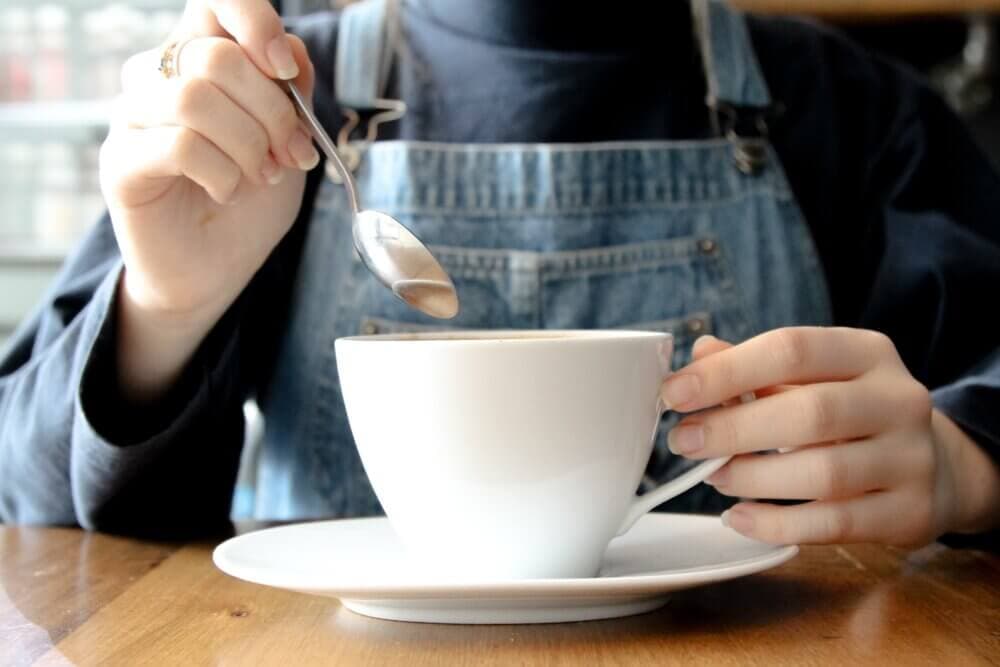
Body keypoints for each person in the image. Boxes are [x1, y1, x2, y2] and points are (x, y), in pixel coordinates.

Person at [0, 0, 997, 546]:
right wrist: (167, 308)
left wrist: (967, 463)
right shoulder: (268, 107)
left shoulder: (855, 111)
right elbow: (27, 495)